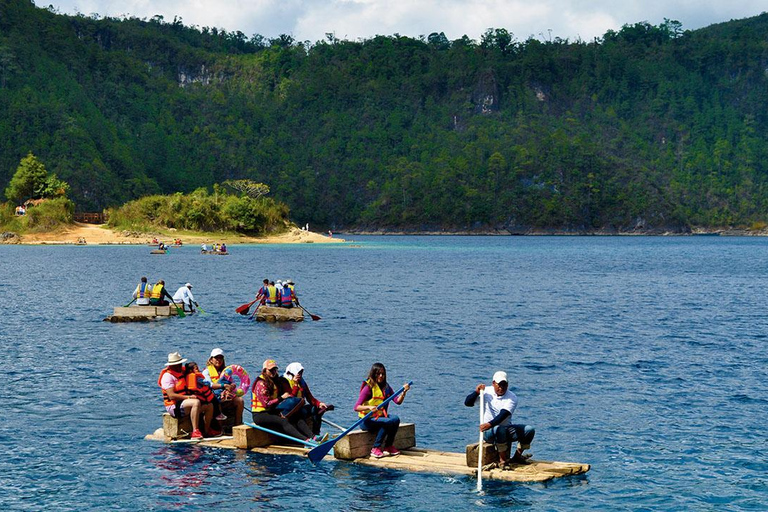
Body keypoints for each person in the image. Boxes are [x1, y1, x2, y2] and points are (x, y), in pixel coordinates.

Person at [464, 371, 535, 468]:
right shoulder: (486, 392)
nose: (501, 388)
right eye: (499, 385)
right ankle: (502, 460)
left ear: (507, 385)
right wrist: (476, 392)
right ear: (493, 383)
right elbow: (468, 403)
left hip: (504, 429)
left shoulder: (512, 397)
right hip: (488, 432)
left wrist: (489, 424)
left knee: (529, 430)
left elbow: (503, 414)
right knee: (499, 429)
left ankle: (517, 456)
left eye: (504, 385)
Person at [354, 363, 410, 458]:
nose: (381, 376)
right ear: (373, 374)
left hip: (379, 418)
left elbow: (397, 401)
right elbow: (356, 407)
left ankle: (388, 446)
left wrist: (404, 392)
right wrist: (369, 407)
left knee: (395, 419)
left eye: (383, 374)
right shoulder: (368, 388)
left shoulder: (386, 387)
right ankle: (375, 448)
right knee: (387, 422)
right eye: (378, 374)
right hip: (366, 421)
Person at [251, 359, 315, 443]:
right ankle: (305, 440)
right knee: (283, 421)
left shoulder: (275, 381)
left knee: (296, 416)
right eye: (270, 370)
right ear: (264, 371)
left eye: (275, 369)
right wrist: (281, 398)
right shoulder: (260, 384)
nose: (273, 372)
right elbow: (266, 404)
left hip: (271, 411)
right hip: (260, 414)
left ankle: (313, 437)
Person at [157, 351, 218, 439]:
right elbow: (171, 395)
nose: (179, 366)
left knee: (209, 405)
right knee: (195, 402)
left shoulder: (182, 371)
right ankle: (195, 431)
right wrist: (189, 397)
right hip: (174, 407)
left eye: (179, 364)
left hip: (185, 403)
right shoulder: (167, 377)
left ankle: (206, 430)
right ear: (171, 365)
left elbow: (194, 370)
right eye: (176, 364)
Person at [284, 362, 332, 436]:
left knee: (315, 409)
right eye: (298, 372)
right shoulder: (284, 381)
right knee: (300, 414)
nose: (299, 374)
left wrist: (319, 404)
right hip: (289, 410)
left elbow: (309, 397)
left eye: (301, 372)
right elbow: (290, 399)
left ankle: (316, 433)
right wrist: (296, 385)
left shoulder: (302, 382)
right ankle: (309, 437)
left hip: (299, 407)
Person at [202, 348, 245, 426]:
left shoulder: (226, 372)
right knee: (218, 401)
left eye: (221, 358)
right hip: (214, 397)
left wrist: (231, 387)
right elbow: (210, 385)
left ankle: (237, 425)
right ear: (211, 360)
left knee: (240, 401)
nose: (219, 360)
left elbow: (233, 383)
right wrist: (223, 386)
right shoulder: (206, 372)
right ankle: (220, 428)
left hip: (226, 395)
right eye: (216, 358)